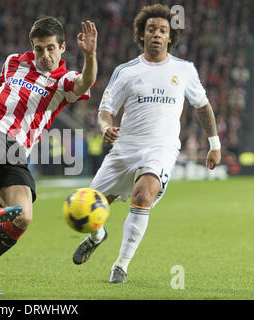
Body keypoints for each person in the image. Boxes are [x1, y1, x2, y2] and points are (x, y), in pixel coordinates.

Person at [71, 4, 221, 284]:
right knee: (87, 208)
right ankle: (97, 235)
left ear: (169, 37)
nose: (157, 34)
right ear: (141, 35)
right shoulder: (125, 71)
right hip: (124, 148)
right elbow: (106, 110)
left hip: (161, 148)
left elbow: (202, 106)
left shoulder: (184, 70)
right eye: (151, 29)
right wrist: (105, 127)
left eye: (163, 30)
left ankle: (121, 265)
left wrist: (214, 144)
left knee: (144, 195)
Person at [0, 16, 97, 296]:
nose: (45, 55)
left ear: (63, 47)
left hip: (17, 149)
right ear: (32, 47)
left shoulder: (63, 80)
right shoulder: (13, 62)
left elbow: (85, 83)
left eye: (51, 48)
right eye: (39, 49)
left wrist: (90, 55)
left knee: (23, 218)